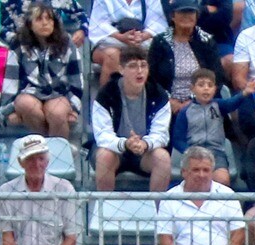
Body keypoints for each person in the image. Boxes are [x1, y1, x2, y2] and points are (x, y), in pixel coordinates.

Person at [92, 46, 174, 190]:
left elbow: (161, 134)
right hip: (114, 150)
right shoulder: (106, 94)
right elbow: (102, 135)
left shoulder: (158, 94)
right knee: (104, 156)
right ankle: (104, 210)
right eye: (133, 66)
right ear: (121, 69)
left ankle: (158, 210)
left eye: (143, 65)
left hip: (144, 151)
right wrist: (125, 144)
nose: (140, 71)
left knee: (163, 158)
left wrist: (145, 144)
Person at [4, 1, 81, 138]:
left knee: (56, 113)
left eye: (49, 19)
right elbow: (11, 78)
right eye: (39, 19)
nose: (45, 23)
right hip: (29, 92)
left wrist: (74, 107)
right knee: (26, 104)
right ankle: (46, 150)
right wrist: (8, 110)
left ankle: (55, 154)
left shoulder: (66, 42)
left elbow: (76, 77)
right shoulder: (18, 43)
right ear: (30, 24)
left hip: (59, 93)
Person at [169, 68, 237, 184]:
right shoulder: (185, 112)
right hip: (193, 152)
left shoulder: (219, 105)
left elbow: (232, 103)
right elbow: (177, 139)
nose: (206, 88)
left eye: (210, 85)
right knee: (196, 180)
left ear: (215, 89)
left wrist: (245, 93)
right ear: (192, 88)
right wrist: (189, 151)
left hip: (216, 152)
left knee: (223, 179)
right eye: (201, 85)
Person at [150, 0, 222, 96]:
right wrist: (168, 101)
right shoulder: (160, 42)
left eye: (191, 12)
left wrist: (192, 101)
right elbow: (151, 78)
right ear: (172, 16)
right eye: (182, 12)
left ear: (197, 16)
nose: (186, 16)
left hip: (200, 101)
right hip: (166, 102)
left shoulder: (206, 41)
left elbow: (217, 78)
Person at [88, 0, 169, 84]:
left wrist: (141, 37)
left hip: (143, 41)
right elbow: (99, 24)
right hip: (110, 42)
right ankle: (107, 96)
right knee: (112, 55)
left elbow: (158, 23)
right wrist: (120, 37)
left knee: (154, 52)